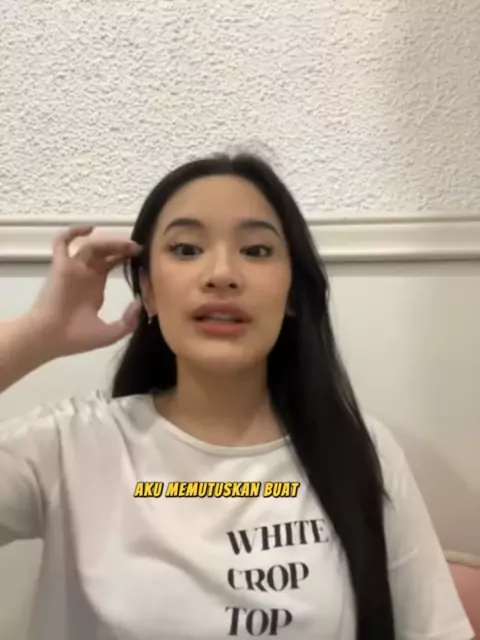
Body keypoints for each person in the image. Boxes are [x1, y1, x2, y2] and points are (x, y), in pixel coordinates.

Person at [0, 153, 473, 640]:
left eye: (256, 250)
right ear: (149, 290)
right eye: (186, 249)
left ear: (292, 292)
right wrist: (39, 332)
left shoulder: (360, 450)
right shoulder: (70, 446)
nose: (222, 273)